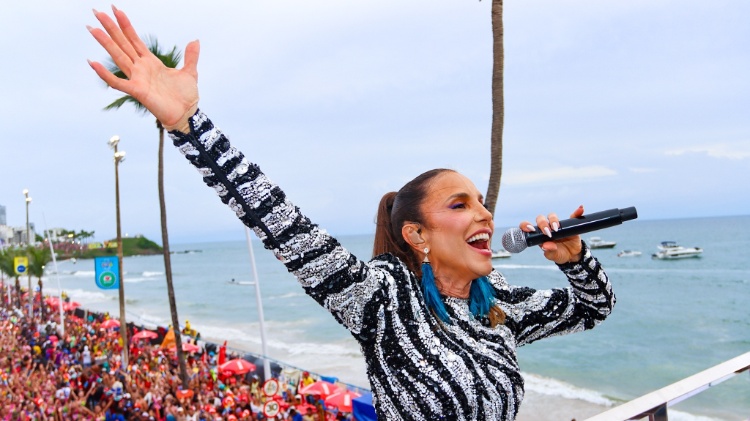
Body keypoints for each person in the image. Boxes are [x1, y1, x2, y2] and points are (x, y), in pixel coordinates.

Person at [88, 7, 616, 420]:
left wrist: (575, 258)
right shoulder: (379, 297)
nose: (484, 214)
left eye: (481, 201)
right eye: (461, 204)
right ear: (416, 234)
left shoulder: (498, 303)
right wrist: (189, 124)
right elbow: (275, 217)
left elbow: (593, 309)